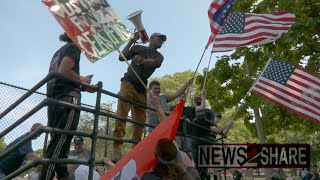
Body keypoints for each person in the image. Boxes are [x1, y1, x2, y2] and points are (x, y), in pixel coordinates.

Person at [41, 32, 95, 180]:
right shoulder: (74, 47)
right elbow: (64, 71)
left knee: (60, 142)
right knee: (61, 141)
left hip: (55, 99)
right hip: (68, 99)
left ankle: (63, 175)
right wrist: (84, 79)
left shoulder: (59, 51)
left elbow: (62, 76)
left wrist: (83, 86)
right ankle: (46, 176)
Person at [112, 32, 167, 162]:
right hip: (128, 83)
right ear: (151, 38)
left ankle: (135, 149)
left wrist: (142, 60)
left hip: (142, 88)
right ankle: (117, 147)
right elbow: (121, 57)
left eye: (162, 41)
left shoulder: (160, 56)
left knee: (140, 121)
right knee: (122, 113)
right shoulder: (138, 48)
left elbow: (154, 63)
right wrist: (131, 41)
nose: (161, 41)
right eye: (159, 38)